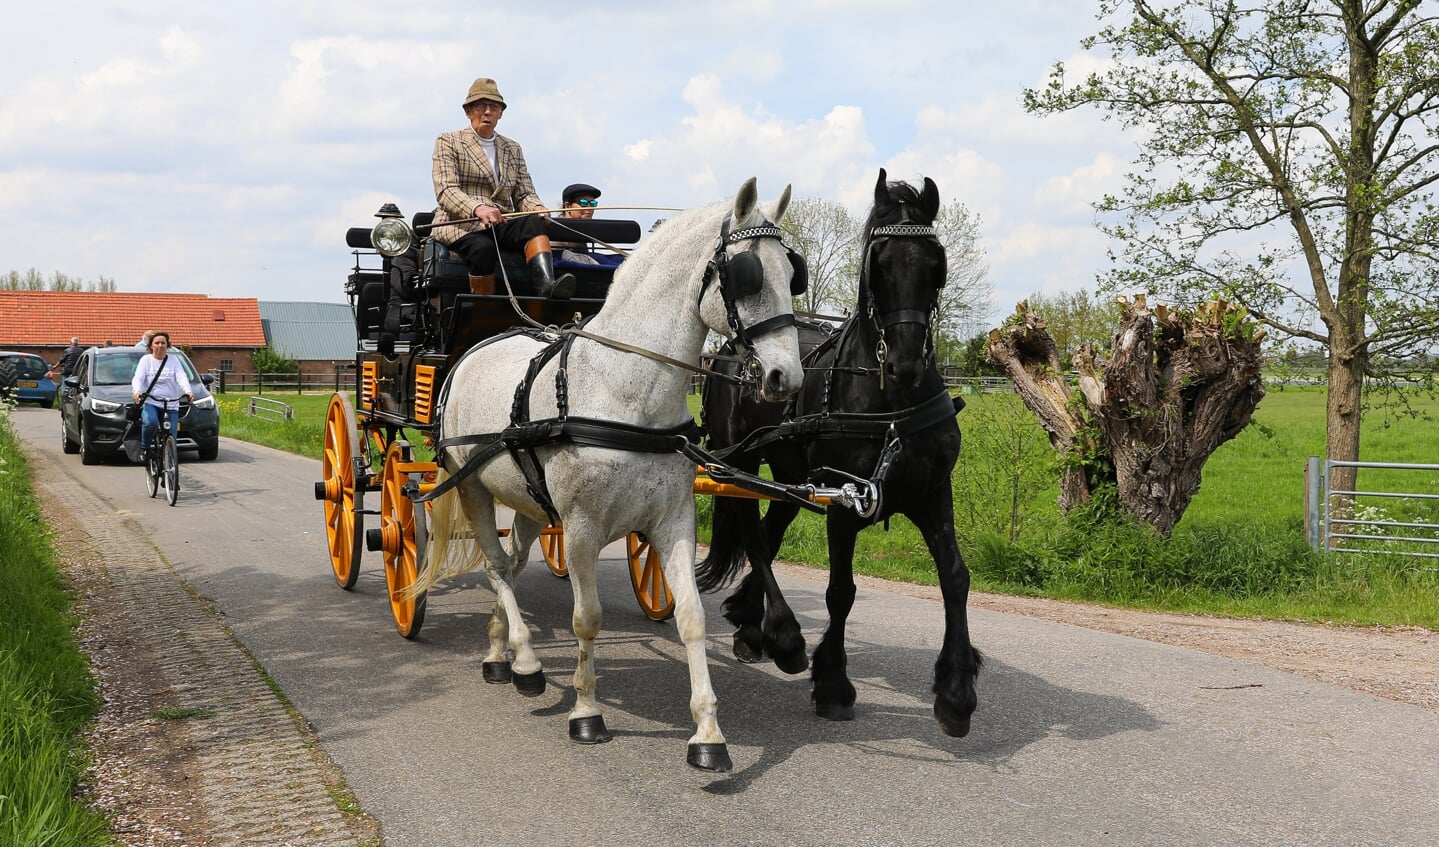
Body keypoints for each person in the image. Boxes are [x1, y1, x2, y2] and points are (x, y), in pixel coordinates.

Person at [429, 77, 575, 299]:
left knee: (533, 222)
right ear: (469, 111)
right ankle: (484, 306)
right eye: (481, 106)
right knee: (483, 248)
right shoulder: (449, 141)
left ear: (500, 113)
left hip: (501, 223)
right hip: (460, 224)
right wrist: (478, 208)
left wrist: (536, 206)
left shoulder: (512, 148)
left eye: (494, 106)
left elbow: (524, 192)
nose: (487, 112)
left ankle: (547, 287)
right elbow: (446, 190)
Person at [131, 331, 193, 458]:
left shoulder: (174, 361)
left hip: (170, 403)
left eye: (163, 343)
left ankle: (169, 461)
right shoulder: (146, 360)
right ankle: (145, 448)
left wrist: (188, 390)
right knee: (150, 423)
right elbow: (138, 378)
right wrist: (137, 391)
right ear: (151, 346)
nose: (160, 345)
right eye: (157, 343)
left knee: (172, 434)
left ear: (168, 345)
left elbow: (182, 376)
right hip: (151, 402)